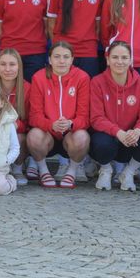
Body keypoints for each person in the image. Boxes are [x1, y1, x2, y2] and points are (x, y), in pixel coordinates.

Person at [90, 41, 140, 192]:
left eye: (124, 57)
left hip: (131, 140)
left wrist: (137, 131)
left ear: (130, 60)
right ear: (108, 60)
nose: (120, 62)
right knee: (99, 142)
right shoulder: (97, 82)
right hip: (109, 138)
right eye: (115, 57)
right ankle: (106, 169)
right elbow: (96, 118)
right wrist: (118, 132)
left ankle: (129, 172)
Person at [27, 41, 91, 190]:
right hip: (48, 134)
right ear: (50, 59)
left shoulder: (82, 77)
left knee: (82, 137)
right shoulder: (39, 77)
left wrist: (71, 124)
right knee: (33, 136)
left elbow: (84, 117)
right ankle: (43, 171)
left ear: (72, 59)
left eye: (66, 57)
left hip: (70, 134)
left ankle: (72, 170)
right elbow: (34, 116)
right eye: (57, 56)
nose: (61, 61)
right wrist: (51, 125)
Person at [0, 48, 29, 183]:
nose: (7, 69)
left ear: (19, 66)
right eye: (3, 64)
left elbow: (31, 121)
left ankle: (17, 168)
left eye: (12, 64)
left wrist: (12, 125)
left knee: (21, 137)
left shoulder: (27, 88)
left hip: (16, 132)